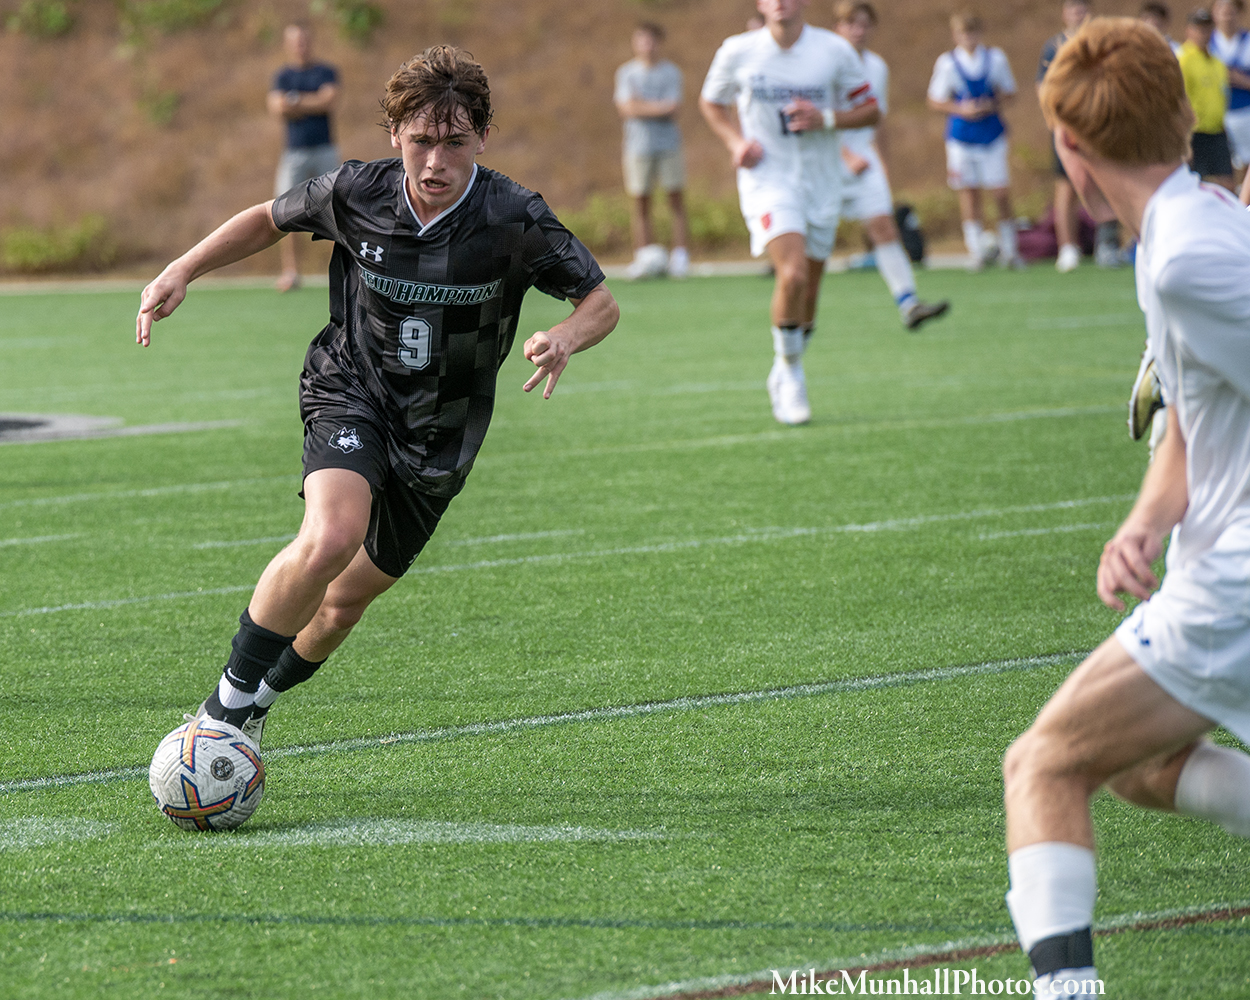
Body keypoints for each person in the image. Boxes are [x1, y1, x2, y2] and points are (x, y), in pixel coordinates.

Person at [135, 46, 619, 745]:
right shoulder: (356, 192)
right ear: (394, 134)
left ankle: (254, 710)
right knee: (332, 535)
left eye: (455, 143)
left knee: (340, 607)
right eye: (421, 141)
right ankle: (220, 714)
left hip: (441, 434)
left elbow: (600, 301)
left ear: (483, 137)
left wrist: (567, 336)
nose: (435, 162)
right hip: (350, 388)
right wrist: (183, 268)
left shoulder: (514, 216)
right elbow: (268, 218)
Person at [1005, 17, 1250, 997]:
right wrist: (1146, 521)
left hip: (1234, 584)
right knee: (1141, 767)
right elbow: (1193, 416)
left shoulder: (1190, 258)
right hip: (1212, 566)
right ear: (1182, 120)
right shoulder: (1180, 232)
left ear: (1069, 147)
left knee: (1042, 765)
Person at [699, 0, 879, 426]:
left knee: (809, 291)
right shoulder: (738, 50)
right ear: (761, 5)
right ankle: (792, 372)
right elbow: (711, 102)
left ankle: (784, 364)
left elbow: (871, 110)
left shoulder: (833, 50)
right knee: (792, 274)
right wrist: (736, 143)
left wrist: (826, 118)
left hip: (822, 182)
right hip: (768, 181)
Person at [834, 1, 950, 330]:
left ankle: (909, 303)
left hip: (864, 159)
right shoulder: (825, 62)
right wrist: (845, 155)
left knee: (884, 226)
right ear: (838, 27)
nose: (858, 30)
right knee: (813, 240)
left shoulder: (877, 66)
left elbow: (877, 119)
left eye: (864, 24)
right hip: (826, 161)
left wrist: (883, 163)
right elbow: (815, 119)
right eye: (851, 24)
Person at [926, 11, 1022, 270]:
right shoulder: (947, 63)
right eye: (962, 33)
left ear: (979, 33)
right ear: (955, 35)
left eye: (972, 32)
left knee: (1000, 192)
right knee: (969, 192)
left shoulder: (995, 58)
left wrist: (991, 104)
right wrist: (961, 109)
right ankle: (976, 250)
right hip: (961, 137)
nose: (968, 38)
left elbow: (1010, 93)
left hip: (991, 134)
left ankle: (1010, 249)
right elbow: (935, 99)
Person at [614, 22, 690, 280]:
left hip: (668, 144)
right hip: (638, 145)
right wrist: (656, 107)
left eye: (651, 40)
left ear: (659, 43)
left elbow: (673, 107)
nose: (646, 45)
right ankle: (643, 255)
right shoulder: (627, 73)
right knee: (640, 200)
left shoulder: (671, 72)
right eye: (641, 39)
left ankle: (681, 255)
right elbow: (626, 108)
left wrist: (641, 106)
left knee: (675, 198)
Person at [269, 23, 341, 292]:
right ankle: (291, 272)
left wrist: (295, 102)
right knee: (283, 210)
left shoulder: (326, 71)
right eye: (295, 41)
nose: (300, 46)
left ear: (310, 42)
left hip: (325, 150)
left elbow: (329, 101)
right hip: (294, 153)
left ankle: (341, 271)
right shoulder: (283, 76)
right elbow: (277, 107)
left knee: (336, 209)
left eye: (304, 40)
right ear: (288, 45)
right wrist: (313, 102)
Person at [1037, 0, 1091, 273]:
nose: (1077, 14)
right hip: (1067, 125)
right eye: (1072, 9)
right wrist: (1056, 120)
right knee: (1066, 185)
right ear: (1064, 13)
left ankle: (1108, 243)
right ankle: (1067, 246)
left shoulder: (1096, 42)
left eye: (1081, 9)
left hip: (1095, 125)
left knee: (1106, 182)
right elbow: (1042, 87)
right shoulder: (1054, 46)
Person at [1180, 7, 1236, 190]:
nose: (1204, 33)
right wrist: (1184, 135)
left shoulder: (1216, 61)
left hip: (1217, 131)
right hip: (1196, 133)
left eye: (1207, 28)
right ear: (1189, 30)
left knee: (1227, 183)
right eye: (1199, 28)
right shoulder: (1184, 59)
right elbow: (1179, 99)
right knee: (1199, 184)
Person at [1212, 0, 1250, 183]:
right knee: (1221, 170)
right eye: (1221, 9)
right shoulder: (1206, 42)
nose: (1226, 15)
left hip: (1245, 113)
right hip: (1215, 118)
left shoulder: (1247, 41)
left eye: (1230, 10)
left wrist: (1243, 81)